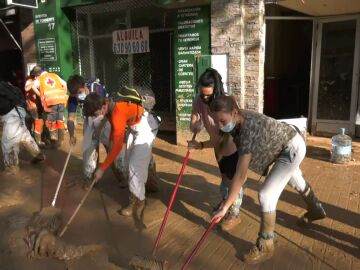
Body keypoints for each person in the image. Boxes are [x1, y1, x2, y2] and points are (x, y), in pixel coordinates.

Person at [210, 95, 327, 264]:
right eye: (216, 122)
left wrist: (226, 205)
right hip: (284, 144)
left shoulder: (247, 130)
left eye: (222, 121)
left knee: (266, 195)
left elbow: (241, 174)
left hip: (291, 147)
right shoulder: (237, 120)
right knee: (294, 178)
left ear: (234, 112)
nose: (220, 125)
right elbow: (222, 143)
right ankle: (315, 208)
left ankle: (266, 244)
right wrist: (200, 145)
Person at [66, 75, 160, 192]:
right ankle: (90, 177)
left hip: (105, 119)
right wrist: (72, 135)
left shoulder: (97, 89)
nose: (77, 96)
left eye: (78, 92)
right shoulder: (73, 98)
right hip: (91, 120)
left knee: (114, 147)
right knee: (89, 149)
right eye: (74, 94)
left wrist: (100, 128)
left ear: (84, 86)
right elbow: (71, 118)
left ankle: (122, 176)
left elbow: (106, 110)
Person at [84, 86, 159, 216]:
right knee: (132, 160)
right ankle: (151, 179)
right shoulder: (107, 102)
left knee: (134, 166)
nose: (96, 118)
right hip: (134, 126)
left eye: (96, 114)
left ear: (102, 107)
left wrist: (102, 168)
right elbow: (110, 124)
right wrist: (103, 130)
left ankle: (137, 201)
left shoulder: (117, 113)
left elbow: (117, 146)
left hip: (146, 126)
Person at [187, 68, 243, 231]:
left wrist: (203, 145)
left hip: (231, 145)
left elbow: (229, 134)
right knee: (225, 178)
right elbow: (194, 122)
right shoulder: (199, 100)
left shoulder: (226, 102)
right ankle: (226, 201)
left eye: (208, 95)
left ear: (216, 90)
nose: (205, 98)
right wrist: (194, 125)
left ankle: (234, 212)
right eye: (202, 93)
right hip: (216, 146)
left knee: (233, 180)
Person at [0, 81, 45, 174]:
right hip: (18, 110)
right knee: (24, 135)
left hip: (11, 113)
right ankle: (38, 155)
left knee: (8, 141)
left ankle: (12, 167)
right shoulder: (7, 86)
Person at [32, 66, 67, 147]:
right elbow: (65, 84)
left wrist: (40, 95)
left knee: (52, 121)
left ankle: (54, 142)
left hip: (50, 101)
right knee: (60, 120)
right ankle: (61, 140)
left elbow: (33, 87)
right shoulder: (55, 75)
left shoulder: (40, 78)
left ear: (37, 74)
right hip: (61, 100)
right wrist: (63, 94)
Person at [24, 68, 44, 145]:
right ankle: (38, 141)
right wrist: (34, 82)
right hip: (32, 106)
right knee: (38, 122)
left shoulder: (40, 80)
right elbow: (26, 88)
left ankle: (34, 138)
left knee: (36, 122)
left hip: (38, 105)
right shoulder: (30, 80)